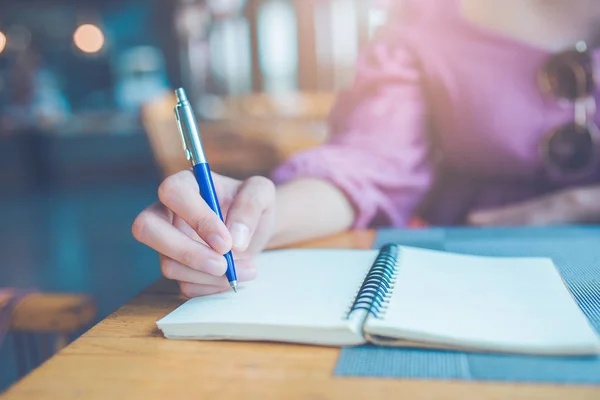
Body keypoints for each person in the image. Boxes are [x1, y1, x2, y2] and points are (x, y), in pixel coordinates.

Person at [133, 0, 600, 297]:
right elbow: (368, 166)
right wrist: (254, 217)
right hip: (465, 285)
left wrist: (580, 204)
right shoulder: (423, 23)